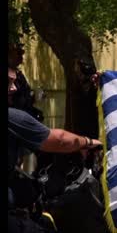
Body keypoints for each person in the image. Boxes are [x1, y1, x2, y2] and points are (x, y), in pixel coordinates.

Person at [8, 67, 103, 233]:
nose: (14, 88)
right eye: (8, 82)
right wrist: (87, 142)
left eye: (15, 82)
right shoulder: (12, 117)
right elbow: (59, 141)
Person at [8, 42, 44, 122]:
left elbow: (26, 97)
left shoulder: (19, 75)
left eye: (21, 54)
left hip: (24, 116)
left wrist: (35, 96)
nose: (21, 58)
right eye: (18, 54)